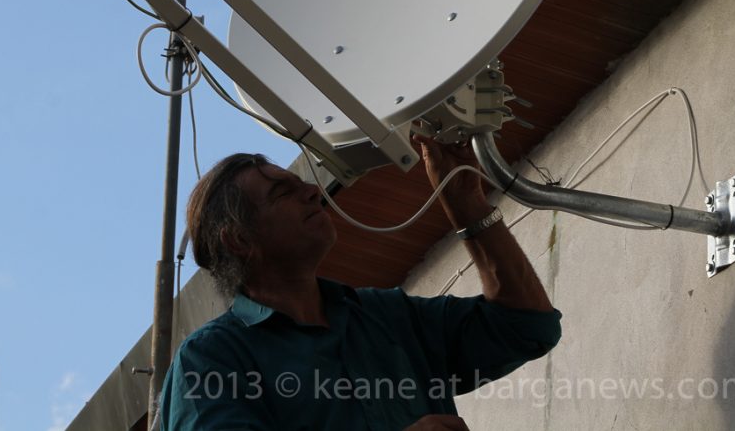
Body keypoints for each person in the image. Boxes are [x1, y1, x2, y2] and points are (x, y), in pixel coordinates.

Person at [160, 136, 560, 430]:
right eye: (283, 193)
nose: (313, 191)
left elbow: (527, 326)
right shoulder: (211, 358)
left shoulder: (388, 315)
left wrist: (465, 203)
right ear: (238, 239)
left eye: (303, 184)